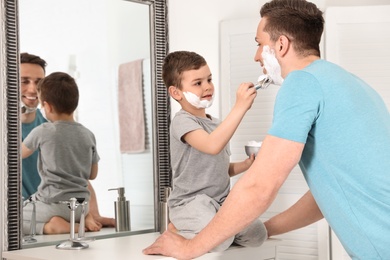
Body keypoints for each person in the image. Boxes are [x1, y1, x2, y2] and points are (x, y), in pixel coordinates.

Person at [143, 0, 390, 259]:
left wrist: (189, 248)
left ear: (281, 45)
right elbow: (330, 194)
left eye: (259, 44)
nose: (257, 55)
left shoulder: (301, 83)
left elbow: (260, 185)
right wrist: (259, 230)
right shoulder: (349, 83)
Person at [162, 51, 267, 252]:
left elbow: (217, 168)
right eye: (198, 83)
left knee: (257, 235)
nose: (208, 86)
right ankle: (178, 229)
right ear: (176, 93)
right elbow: (212, 145)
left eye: (209, 79)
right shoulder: (182, 121)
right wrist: (240, 107)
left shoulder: (216, 125)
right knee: (218, 240)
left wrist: (246, 165)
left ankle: (205, 231)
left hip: (221, 202)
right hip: (190, 203)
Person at [20, 53, 115, 233]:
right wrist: (84, 213)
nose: (32, 89)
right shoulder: (85, 133)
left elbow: (82, 178)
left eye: (38, 82)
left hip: (47, 210)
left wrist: (94, 214)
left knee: (15, 219)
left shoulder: (46, 128)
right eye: (24, 81)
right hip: (59, 210)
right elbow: (87, 172)